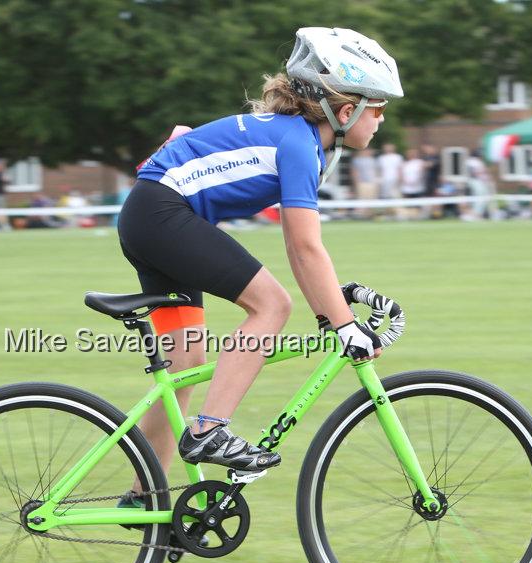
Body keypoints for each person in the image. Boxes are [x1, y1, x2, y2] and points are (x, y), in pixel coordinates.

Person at [115, 26, 399, 487]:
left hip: (150, 215)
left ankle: (142, 499)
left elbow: (299, 248)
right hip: (162, 214)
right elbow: (304, 247)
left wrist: (331, 313)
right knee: (272, 305)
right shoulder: (300, 146)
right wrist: (345, 325)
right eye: (379, 108)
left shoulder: (296, 139)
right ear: (346, 111)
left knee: (184, 369)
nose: (382, 120)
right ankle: (209, 432)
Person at [350, 148, 378, 219]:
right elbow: (354, 172)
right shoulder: (357, 160)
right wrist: (356, 182)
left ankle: (370, 215)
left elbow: (375, 172)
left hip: (371, 183)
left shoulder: (373, 160)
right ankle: (361, 215)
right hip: (362, 183)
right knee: (362, 199)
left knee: (371, 199)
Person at [400, 148, 426, 219]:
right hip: (406, 187)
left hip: (417, 186)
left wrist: (416, 180)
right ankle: (409, 217)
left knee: (418, 203)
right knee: (407, 203)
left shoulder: (420, 162)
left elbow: (421, 173)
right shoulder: (405, 163)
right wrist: (405, 180)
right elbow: (401, 174)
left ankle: (418, 217)